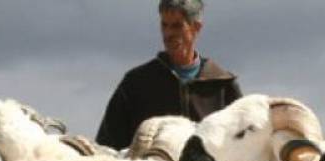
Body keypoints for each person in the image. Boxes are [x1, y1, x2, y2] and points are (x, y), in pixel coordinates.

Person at [95, 0, 242, 150]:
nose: (168, 33)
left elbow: (241, 150)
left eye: (177, 26)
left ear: (196, 28)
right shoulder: (135, 84)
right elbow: (106, 149)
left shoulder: (223, 87)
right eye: (164, 25)